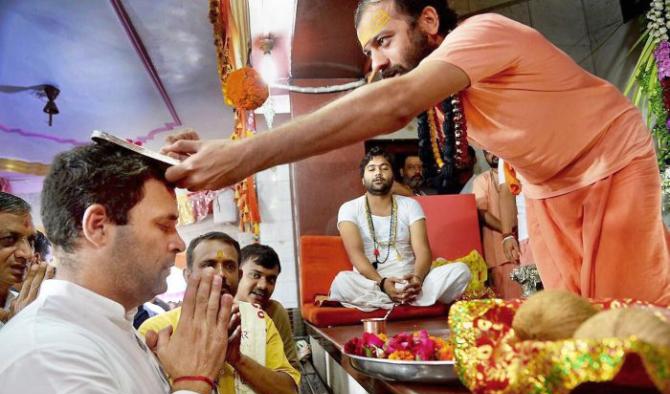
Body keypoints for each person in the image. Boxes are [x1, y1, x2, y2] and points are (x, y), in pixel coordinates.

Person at [162, 0, 669, 305]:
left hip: (610, 161)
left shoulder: (480, 34)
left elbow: (389, 103)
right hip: (549, 192)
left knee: (631, 315)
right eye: (369, 52)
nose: (378, 62)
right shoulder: (452, 93)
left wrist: (240, 156)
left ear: (428, 20)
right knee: (571, 320)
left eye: (383, 41)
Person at [0, 143, 237, 394]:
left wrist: (179, 379)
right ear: (98, 227)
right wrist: (193, 380)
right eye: (165, 225)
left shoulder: (112, 325)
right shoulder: (45, 354)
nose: (179, 244)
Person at [139, 232, 299, 394]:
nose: (221, 274)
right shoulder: (158, 331)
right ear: (188, 275)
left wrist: (237, 359)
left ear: (239, 275)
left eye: (230, 266)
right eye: (209, 264)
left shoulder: (259, 322)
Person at [329, 148, 470, 311]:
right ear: (362, 179)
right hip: (373, 284)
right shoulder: (349, 208)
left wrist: (416, 279)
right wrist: (383, 284)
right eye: (372, 169)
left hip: (410, 281)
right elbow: (356, 255)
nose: (378, 173)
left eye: (384, 168)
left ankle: (397, 299)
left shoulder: (410, 205)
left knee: (461, 271)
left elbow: (423, 251)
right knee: (342, 281)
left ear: (393, 176)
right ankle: (395, 298)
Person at [237, 243, 299, 370]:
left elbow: (291, 367)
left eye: (271, 280)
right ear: (237, 274)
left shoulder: (275, 312)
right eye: (255, 275)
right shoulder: (218, 311)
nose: (263, 286)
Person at [472, 151, 521, 298]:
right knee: (509, 300)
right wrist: (509, 232)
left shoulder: (519, 174)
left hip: (525, 244)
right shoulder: (482, 180)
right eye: (487, 153)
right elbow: (482, 213)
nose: (492, 155)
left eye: (494, 150)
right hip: (499, 251)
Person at [0, 192, 51, 328]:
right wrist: (19, 327)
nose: (28, 254)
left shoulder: (20, 303)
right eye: (9, 239)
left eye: (30, 241)